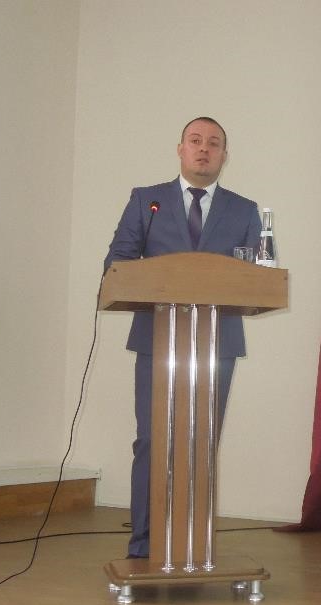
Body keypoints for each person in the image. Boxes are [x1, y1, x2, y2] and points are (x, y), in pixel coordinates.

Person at [104, 116, 262, 559]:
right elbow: (117, 262)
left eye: (214, 143)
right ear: (180, 149)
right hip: (158, 340)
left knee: (201, 442)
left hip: (217, 343)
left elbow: (258, 275)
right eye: (195, 140)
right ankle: (144, 545)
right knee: (152, 440)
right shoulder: (147, 201)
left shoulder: (244, 210)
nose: (203, 149)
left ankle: (194, 544)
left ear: (224, 156)